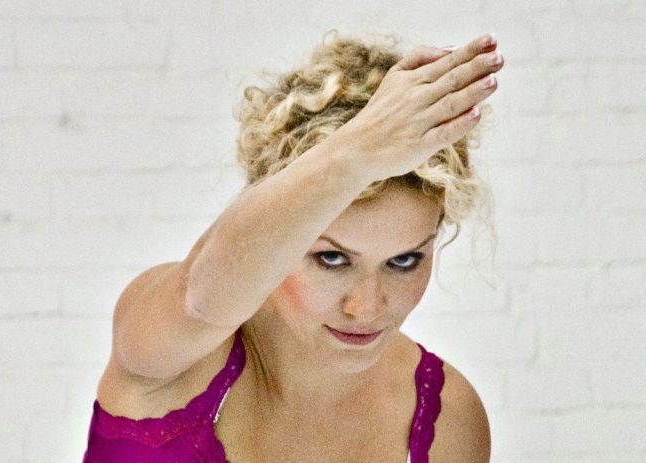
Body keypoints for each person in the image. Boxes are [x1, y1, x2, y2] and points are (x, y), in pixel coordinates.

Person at [82, 30, 504, 463]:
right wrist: (357, 152)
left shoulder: (448, 420)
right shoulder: (173, 348)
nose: (366, 308)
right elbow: (201, 300)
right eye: (331, 258)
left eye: (403, 261)